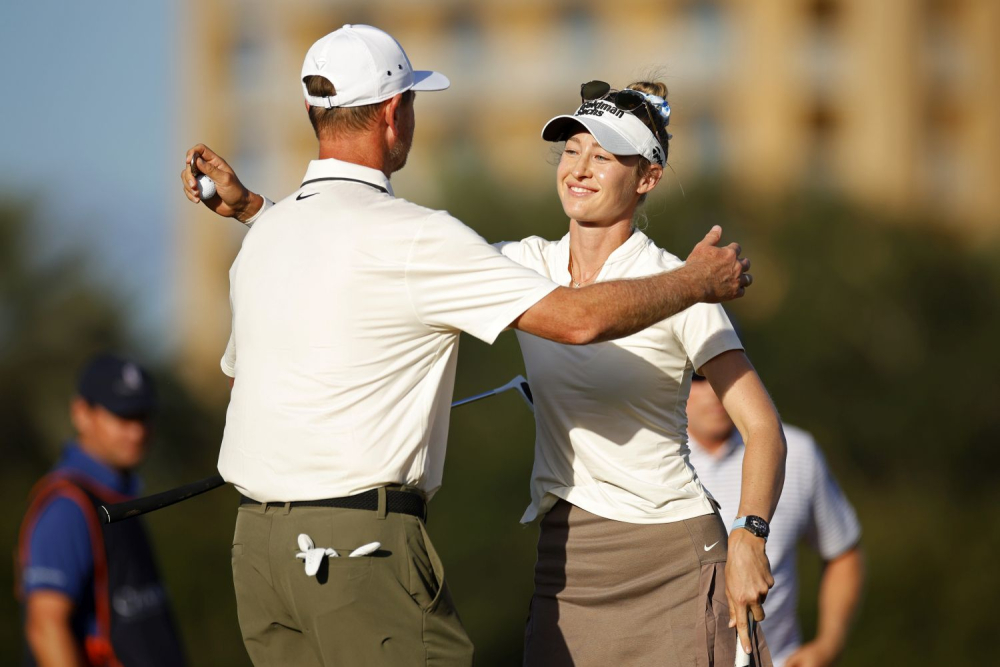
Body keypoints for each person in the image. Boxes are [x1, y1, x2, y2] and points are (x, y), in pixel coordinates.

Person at [179, 25, 754, 667]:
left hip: (259, 554)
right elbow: (573, 320)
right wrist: (697, 281)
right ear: (396, 114)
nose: (581, 167)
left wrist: (259, 208)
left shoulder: (271, 235)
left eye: (604, 154)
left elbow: (350, 255)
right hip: (362, 550)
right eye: (573, 150)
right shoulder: (427, 240)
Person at [16, 354, 186, 667]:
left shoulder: (119, 495)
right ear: (82, 414)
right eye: (123, 418)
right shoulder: (67, 506)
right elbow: (45, 627)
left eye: (143, 416)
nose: (136, 432)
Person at [687, 372, 865, 667]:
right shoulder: (646, 463)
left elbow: (843, 551)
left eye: (728, 370)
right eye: (699, 377)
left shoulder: (795, 453)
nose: (717, 388)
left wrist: (828, 645)